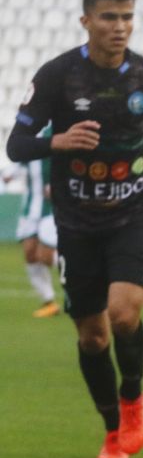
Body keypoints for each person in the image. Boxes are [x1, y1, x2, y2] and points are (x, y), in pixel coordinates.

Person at [5, 0, 143, 458]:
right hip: (76, 220)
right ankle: (112, 425)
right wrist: (58, 141)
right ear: (86, 21)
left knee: (123, 314)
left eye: (128, 17)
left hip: (136, 210)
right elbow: (16, 145)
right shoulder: (57, 77)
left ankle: (133, 397)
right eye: (110, 17)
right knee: (91, 335)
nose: (120, 27)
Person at [4, 122, 61, 317]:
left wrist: (59, 184)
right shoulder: (25, 137)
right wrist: (8, 175)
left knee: (45, 256)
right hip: (30, 210)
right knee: (30, 253)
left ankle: (79, 280)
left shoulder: (56, 131)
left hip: (51, 209)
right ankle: (49, 301)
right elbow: (17, 163)